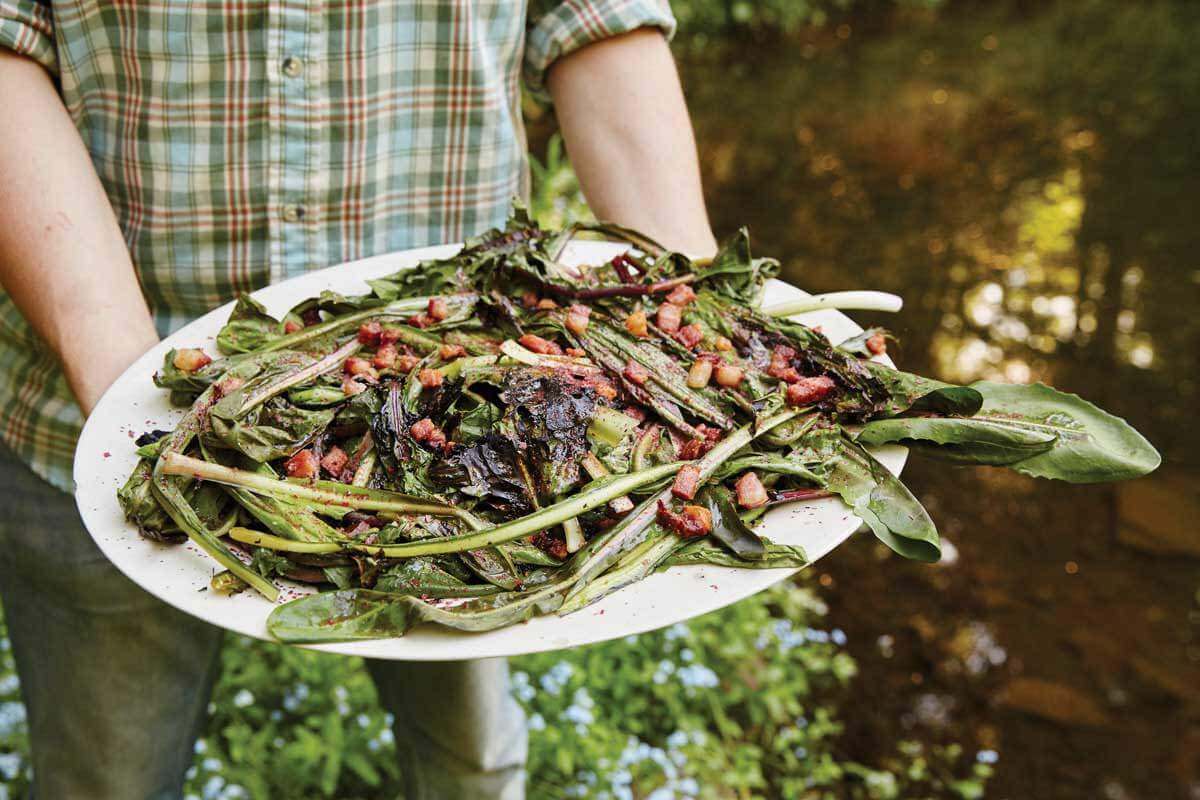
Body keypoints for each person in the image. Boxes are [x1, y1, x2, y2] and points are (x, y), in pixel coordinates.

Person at [0, 1, 717, 798]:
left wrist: (684, 342)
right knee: (105, 779)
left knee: (472, 768)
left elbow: (595, 17)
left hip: (482, 455)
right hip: (95, 404)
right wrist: (138, 415)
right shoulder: (130, 417)